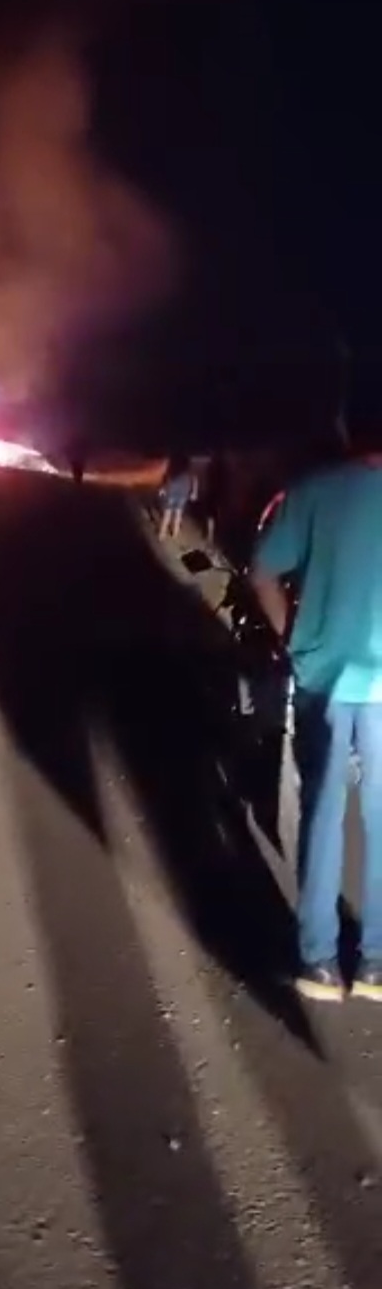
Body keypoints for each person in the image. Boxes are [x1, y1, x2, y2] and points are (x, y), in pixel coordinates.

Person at [251, 410, 382, 1002]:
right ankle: (378, 966)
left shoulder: (313, 490)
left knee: (323, 816)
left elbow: (263, 572)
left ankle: (321, 964)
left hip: (323, 675)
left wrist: (290, 638)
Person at [157, 456, 194, 541]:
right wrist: (193, 491)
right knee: (178, 512)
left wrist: (162, 488)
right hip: (184, 489)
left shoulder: (173, 461)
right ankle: (175, 533)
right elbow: (193, 477)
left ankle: (162, 534)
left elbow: (166, 475)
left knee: (167, 513)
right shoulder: (187, 462)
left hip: (172, 489)